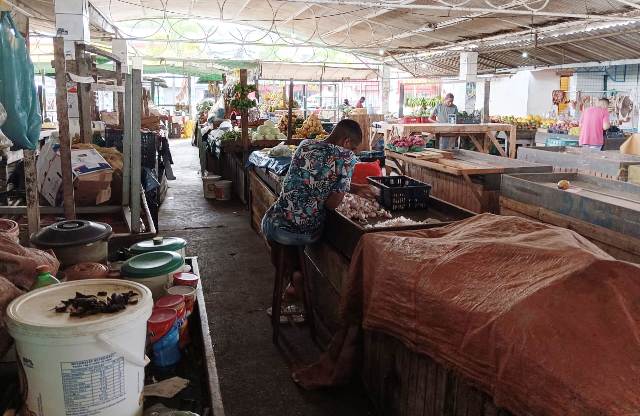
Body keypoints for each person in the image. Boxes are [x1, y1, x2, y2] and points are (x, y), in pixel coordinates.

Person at [262, 119, 376, 319]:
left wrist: (356, 188)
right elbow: (332, 204)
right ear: (347, 141)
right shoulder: (346, 157)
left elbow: (314, 178)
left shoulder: (305, 145)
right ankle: (297, 278)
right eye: (355, 147)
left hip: (276, 223)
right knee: (296, 234)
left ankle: (293, 275)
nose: (355, 152)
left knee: (278, 234)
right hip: (307, 230)